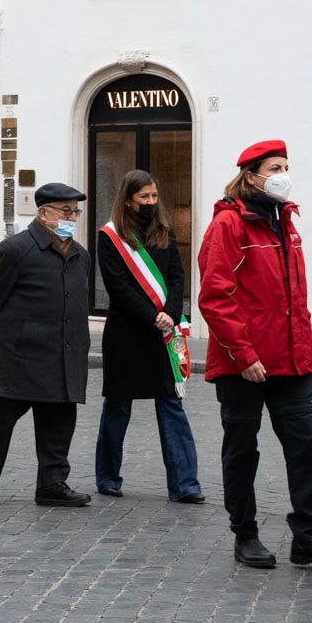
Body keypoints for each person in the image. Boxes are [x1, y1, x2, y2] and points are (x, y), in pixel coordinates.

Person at [199, 141, 312, 572]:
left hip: (291, 361)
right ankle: (245, 534)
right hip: (243, 363)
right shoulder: (229, 225)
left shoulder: (287, 221)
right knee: (242, 449)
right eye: (274, 167)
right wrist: (243, 355)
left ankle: (308, 538)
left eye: (286, 166)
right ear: (250, 176)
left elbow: (295, 300)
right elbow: (215, 297)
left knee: (305, 448)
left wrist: (309, 358)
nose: (283, 174)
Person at [0, 182, 94, 508]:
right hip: (18, 354)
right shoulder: (15, 250)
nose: (71, 216)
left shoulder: (80, 255)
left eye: (74, 211)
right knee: (3, 417)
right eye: (65, 211)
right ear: (43, 212)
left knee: (59, 418)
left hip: (63, 352)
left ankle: (52, 483)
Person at [94, 169, 202, 504]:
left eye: (154, 197)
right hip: (126, 335)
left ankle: (185, 485)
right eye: (145, 198)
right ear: (128, 200)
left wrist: (169, 312)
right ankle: (108, 477)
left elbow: (176, 275)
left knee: (172, 404)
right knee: (117, 407)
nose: (151, 203)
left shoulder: (164, 231)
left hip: (163, 333)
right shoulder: (110, 237)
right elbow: (118, 287)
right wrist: (151, 316)